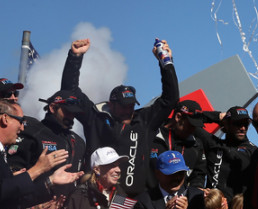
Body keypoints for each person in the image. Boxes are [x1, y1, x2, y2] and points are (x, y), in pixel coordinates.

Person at [61, 38, 181, 197]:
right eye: (124, 106)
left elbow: (170, 99)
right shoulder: (96, 119)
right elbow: (71, 93)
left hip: (135, 202)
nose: (128, 110)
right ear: (111, 105)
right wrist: (74, 58)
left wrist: (166, 63)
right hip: (99, 198)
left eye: (131, 106)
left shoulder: (144, 121)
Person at [199, 106, 257, 199]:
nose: (243, 128)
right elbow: (190, 119)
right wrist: (218, 116)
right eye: (238, 123)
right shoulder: (213, 144)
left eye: (246, 124)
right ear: (226, 124)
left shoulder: (254, 152)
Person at [150, 99, 209, 190]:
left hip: (179, 202)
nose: (193, 129)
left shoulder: (196, 145)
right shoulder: (151, 135)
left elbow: (198, 176)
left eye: (196, 126)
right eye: (191, 124)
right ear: (178, 117)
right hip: (148, 200)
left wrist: (196, 191)